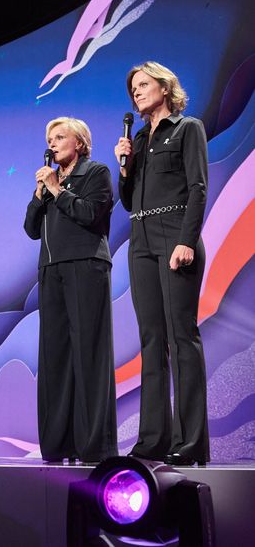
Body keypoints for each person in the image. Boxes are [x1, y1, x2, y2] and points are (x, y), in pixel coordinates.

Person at [114, 61, 210, 466]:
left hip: (175, 235)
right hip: (141, 240)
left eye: (143, 84)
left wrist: (186, 240)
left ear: (165, 87)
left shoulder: (187, 128)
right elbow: (128, 199)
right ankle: (153, 439)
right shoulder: (137, 139)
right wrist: (124, 167)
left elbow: (198, 187)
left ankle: (190, 444)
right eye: (132, 87)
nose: (136, 92)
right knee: (151, 340)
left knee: (180, 337)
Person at [24, 116, 117, 464]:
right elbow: (31, 229)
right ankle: (58, 443)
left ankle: (95, 446)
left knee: (88, 354)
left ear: (79, 143)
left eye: (60, 136)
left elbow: (91, 213)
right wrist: (39, 195)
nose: (53, 143)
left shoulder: (95, 173)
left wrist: (58, 191)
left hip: (86, 265)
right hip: (51, 270)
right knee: (55, 357)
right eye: (49, 138)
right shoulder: (49, 181)